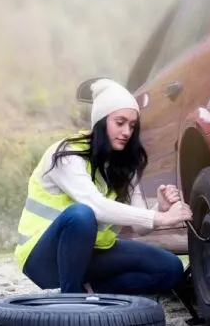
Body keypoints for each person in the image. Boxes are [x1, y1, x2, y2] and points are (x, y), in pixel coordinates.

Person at [14, 78, 193, 295]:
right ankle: (72, 301)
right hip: (42, 258)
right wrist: (162, 219)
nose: (127, 131)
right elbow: (95, 207)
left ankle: (90, 291)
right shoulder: (66, 154)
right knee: (81, 214)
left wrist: (159, 210)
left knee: (170, 268)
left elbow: (140, 228)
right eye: (120, 122)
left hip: (91, 254)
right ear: (100, 121)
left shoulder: (126, 165)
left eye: (132, 125)